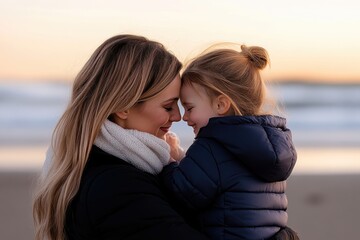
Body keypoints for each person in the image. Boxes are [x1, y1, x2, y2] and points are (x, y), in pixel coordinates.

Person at [32, 34, 210, 240]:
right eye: (168, 106)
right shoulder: (116, 186)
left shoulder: (90, 165)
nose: (178, 116)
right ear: (123, 107)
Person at [161, 44, 299, 240]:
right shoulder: (269, 148)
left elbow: (181, 195)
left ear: (221, 105)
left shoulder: (211, 148)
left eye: (189, 108)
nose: (184, 117)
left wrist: (169, 161)